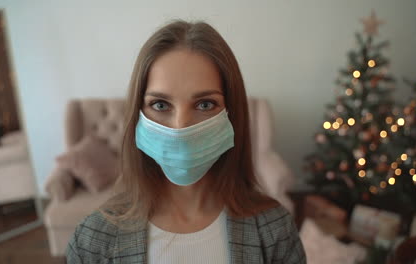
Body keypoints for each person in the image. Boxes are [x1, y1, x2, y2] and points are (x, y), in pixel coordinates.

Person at [66, 19, 306, 264]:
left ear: (232, 114)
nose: (181, 128)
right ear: (138, 114)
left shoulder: (276, 230)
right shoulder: (91, 241)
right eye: (160, 105)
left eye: (205, 104)